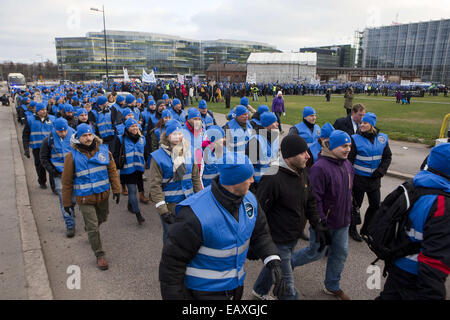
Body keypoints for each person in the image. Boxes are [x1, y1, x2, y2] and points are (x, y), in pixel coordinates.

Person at [159, 152, 286, 300]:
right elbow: (172, 265)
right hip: (202, 293)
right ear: (234, 182)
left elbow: (261, 234)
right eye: (248, 177)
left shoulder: (250, 200)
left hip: (235, 288)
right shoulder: (194, 215)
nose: (252, 180)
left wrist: (273, 260)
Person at [252, 134, 322, 300]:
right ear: (290, 156)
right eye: (303, 152)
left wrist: (317, 223)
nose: (308, 155)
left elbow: (310, 200)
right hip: (277, 240)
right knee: (288, 290)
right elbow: (260, 210)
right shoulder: (272, 177)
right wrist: (258, 242)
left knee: (276, 266)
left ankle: (259, 291)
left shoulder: (303, 171)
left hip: (293, 236)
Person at [377, 143, 450, 300]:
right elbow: (434, 260)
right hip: (415, 274)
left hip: (398, 262)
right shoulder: (442, 203)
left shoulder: (417, 184)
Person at [291, 130, 354, 300]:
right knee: (315, 252)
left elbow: (348, 192)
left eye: (349, 145)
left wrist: (350, 210)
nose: (348, 149)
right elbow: (314, 199)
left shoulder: (347, 164)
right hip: (324, 223)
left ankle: (332, 286)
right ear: (332, 146)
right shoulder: (320, 167)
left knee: (340, 253)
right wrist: (320, 222)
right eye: (344, 146)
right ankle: (287, 263)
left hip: (343, 221)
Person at [61, 123, 121, 270]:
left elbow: (112, 171)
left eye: (89, 135)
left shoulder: (104, 151)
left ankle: (90, 227)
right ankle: (99, 255)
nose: (88, 138)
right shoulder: (71, 156)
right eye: (84, 136)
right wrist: (67, 203)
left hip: (102, 196)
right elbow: (67, 182)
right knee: (94, 227)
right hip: (84, 198)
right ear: (78, 138)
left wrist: (117, 189)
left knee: (102, 219)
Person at [149, 119, 203, 242]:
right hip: (170, 206)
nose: (178, 137)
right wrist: (163, 210)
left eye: (180, 133)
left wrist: (199, 199)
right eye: (174, 134)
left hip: (189, 203)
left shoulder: (189, 152)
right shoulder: (158, 157)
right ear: (167, 136)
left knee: (187, 236)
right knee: (170, 237)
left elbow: (195, 178)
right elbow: (155, 186)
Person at [348, 112, 392, 241]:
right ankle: (352, 229)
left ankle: (366, 229)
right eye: (361, 122)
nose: (361, 125)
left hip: (374, 179)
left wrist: (381, 170)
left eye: (365, 123)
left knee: (375, 205)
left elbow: (387, 157)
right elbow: (349, 160)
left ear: (371, 125)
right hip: (359, 179)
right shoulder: (355, 138)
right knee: (356, 206)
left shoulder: (383, 138)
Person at [40, 118, 77, 237]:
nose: (63, 133)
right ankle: (70, 225)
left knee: (74, 198)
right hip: (59, 174)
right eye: (60, 132)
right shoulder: (48, 140)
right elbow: (44, 158)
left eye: (65, 131)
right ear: (55, 130)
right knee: (64, 200)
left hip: (75, 173)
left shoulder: (75, 136)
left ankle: (71, 207)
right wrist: (53, 171)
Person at [114, 118, 148, 225]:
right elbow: (115, 154)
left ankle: (130, 205)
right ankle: (138, 215)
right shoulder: (120, 139)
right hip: (127, 171)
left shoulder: (142, 138)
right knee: (132, 191)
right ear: (127, 128)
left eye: (136, 126)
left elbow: (145, 153)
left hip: (139, 169)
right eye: (132, 126)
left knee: (135, 189)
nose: (134, 128)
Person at [22, 102, 56, 191]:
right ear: (37, 111)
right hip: (37, 148)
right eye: (42, 110)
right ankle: (42, 181)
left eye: (45, 109)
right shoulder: (30, 120)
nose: (44, 111)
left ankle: (54, 187)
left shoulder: (52, 119)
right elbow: (25, 135)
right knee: (40, 166)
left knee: (52, 166)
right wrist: (26, 149)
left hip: (50, 147)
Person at [245, 112, 279, 191]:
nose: (277, 124)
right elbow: (250, 166)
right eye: (274, 122)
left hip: (272, 180)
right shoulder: (255, 140)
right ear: (267, 125)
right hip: (259, 183)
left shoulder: (273, 136)